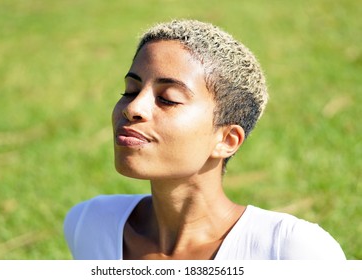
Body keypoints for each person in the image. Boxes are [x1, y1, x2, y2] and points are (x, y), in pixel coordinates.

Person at [64, 19, 346, 260]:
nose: (132, 108)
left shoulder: (290, 251)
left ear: (227, 140)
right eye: (130, 90)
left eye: (167, 99)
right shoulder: (90, 224)